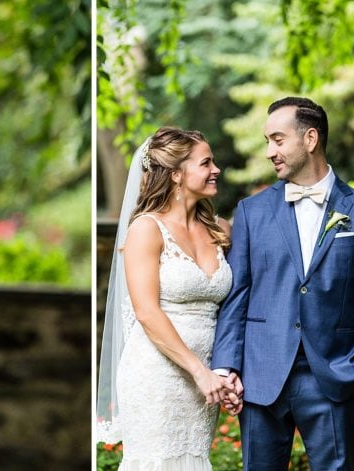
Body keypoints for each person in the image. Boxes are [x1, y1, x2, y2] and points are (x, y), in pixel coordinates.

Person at [211, 97, 354, 469]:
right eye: (267, 141)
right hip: (261, 375)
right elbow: (237, 296)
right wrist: (227, 365)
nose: (269, 152)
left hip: (334, 375)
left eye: (278, 140)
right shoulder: (251, 212)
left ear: (310, 138)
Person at [96, 126, 242, 469]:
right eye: (206, 163)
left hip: (205, 378)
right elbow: (146, 312)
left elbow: (235, 308)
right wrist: (199, 371)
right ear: (176, 174)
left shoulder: (220, 230)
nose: (216, 169)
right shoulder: (146, 229)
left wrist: (226, 371)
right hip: (158, 374)